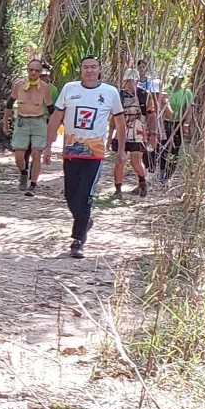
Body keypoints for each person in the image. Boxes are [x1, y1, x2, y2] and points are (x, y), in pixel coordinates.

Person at [47, 55, 125, 258]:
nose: (89, 70)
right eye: (86, 67)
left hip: (95, 154)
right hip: (71, 151)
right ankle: (85, 221)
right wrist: (47, 146)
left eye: (93, 67)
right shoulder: (69, 89)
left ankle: (77, 240)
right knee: (70, 195)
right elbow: (56, 118)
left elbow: (120, 122)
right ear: (80, 70)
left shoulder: (110, 92)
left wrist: (121, 149)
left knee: (85, 196)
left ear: (99, 69)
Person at [4, 58, 54, 195]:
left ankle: (33, 184)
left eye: (37, 70)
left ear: (40, 72)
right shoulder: (19, 85)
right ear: (27, 70)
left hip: (39, 121)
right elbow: (9, 104)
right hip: (22, 121)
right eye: (31, 70)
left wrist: (53, 128)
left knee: (36, 153)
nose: (33, 73)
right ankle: (23, 173)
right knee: (18, 154)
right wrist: (5, 123)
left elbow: (50, 108)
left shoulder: (44, 87)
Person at [113, 68, 152, 196]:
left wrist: (153, 133)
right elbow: (113, 116)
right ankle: (118, 190)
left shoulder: (145, 95)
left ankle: (142, 183)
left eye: (133, 81)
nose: (130, 84)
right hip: (122, 130)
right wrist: (110, 135)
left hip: (138, 131)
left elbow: (151, 114)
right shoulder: (119, 95)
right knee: (119, 161)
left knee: (135, 162)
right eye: (128, 81)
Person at [161, 73, 193, 180]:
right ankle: (161, 173)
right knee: (163, 147)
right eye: (173, 77)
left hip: (178, 123)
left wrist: (186, 123)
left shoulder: (186, 93)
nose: (174, 79)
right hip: (165, 123)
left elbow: (189, 110)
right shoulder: (165, 91)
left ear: (182, 80)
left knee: (175, 149)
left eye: (177, 78)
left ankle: (169, 175)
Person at [40, 61, 60, 167]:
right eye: (41, 75)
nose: (43, 77)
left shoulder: (53, 89)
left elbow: (56, 110)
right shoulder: (27, 86)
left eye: (45, 75)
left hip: (46, 121)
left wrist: (54, 129)